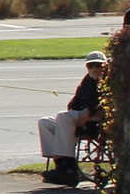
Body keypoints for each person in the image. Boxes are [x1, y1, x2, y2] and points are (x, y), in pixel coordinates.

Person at [38, 51, 106, 186]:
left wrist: (88, 110)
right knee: (45, 122)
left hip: (97, 119)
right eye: (90, 66)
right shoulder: (87, 80)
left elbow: (105, 100)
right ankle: (62, 164)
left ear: (105, 65)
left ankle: (68, 170)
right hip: (80, 117)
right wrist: (75, 111)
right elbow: (75, 100)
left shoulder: (110, 81)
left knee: (63, 117)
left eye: (98, 65)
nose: (94, 69)